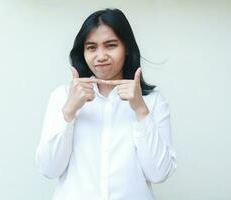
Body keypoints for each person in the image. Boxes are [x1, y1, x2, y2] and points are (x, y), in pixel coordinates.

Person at [36, 8, 177, 200]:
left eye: (110, 45)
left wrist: (140, 110)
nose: (100, 56)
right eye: (91, 47)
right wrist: (69, 111)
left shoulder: (152, 100)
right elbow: (49, 169)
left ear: (126, 48)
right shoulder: (62, 96)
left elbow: (159, 173)